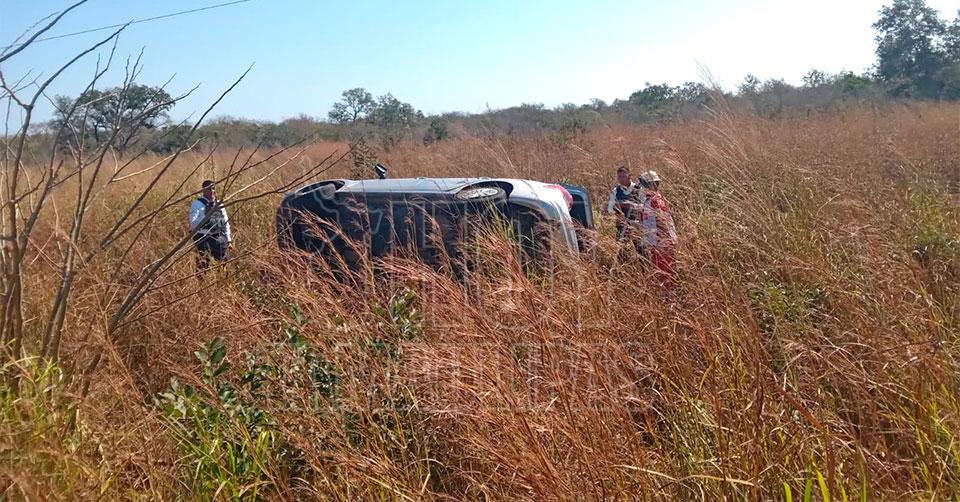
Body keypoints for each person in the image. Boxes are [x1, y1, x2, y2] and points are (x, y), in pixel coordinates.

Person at [637, 170, 677, 291]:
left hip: (661, 242)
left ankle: (667, 295)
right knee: (662, 271)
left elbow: (661, 221)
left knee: (663, 272)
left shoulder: (654, 201)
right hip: (660, 242)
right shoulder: (655, 199)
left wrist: (660, 241)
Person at [189, 180, 234, 271]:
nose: (211, 191)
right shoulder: (197, 204)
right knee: (203, 265)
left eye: (213, 188)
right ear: (203, 190)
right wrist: (207, 218)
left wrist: (228, 240)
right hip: (203, 237)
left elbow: (225, 222)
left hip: (219, 237)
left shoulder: (219, 204)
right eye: (208, 189)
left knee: (223, 264)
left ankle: (221, 278)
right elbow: (192, 223)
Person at [607, 166, 645, 260]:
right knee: (622, 251)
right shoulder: (615, 191)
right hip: (621, 225)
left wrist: (631, 205)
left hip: (636, 225)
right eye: (619, 177)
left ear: (629, 176)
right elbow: (610, 209)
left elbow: (645, 206)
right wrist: (617, 208)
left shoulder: (638, 189)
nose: (621, 179)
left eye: (623, 176)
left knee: (641, 251)